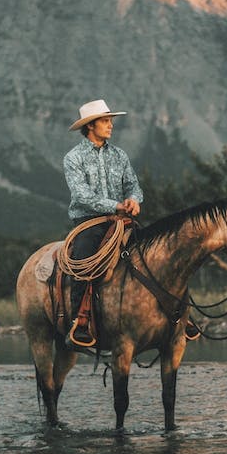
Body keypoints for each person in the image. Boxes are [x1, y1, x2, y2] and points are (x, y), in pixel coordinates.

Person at [63, 99, 143, 348]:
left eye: (110, 121)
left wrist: (133, 200)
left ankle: (173, 316)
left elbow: (133, 185)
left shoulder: (120, 155)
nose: (110, 126)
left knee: (158, 252)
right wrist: (116, 205)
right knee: (83, 261)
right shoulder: (73, 158)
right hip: (89, 221)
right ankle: (81, 320)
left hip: (122, 220)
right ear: (91, 126)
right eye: (105, 121)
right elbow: (81, 196)